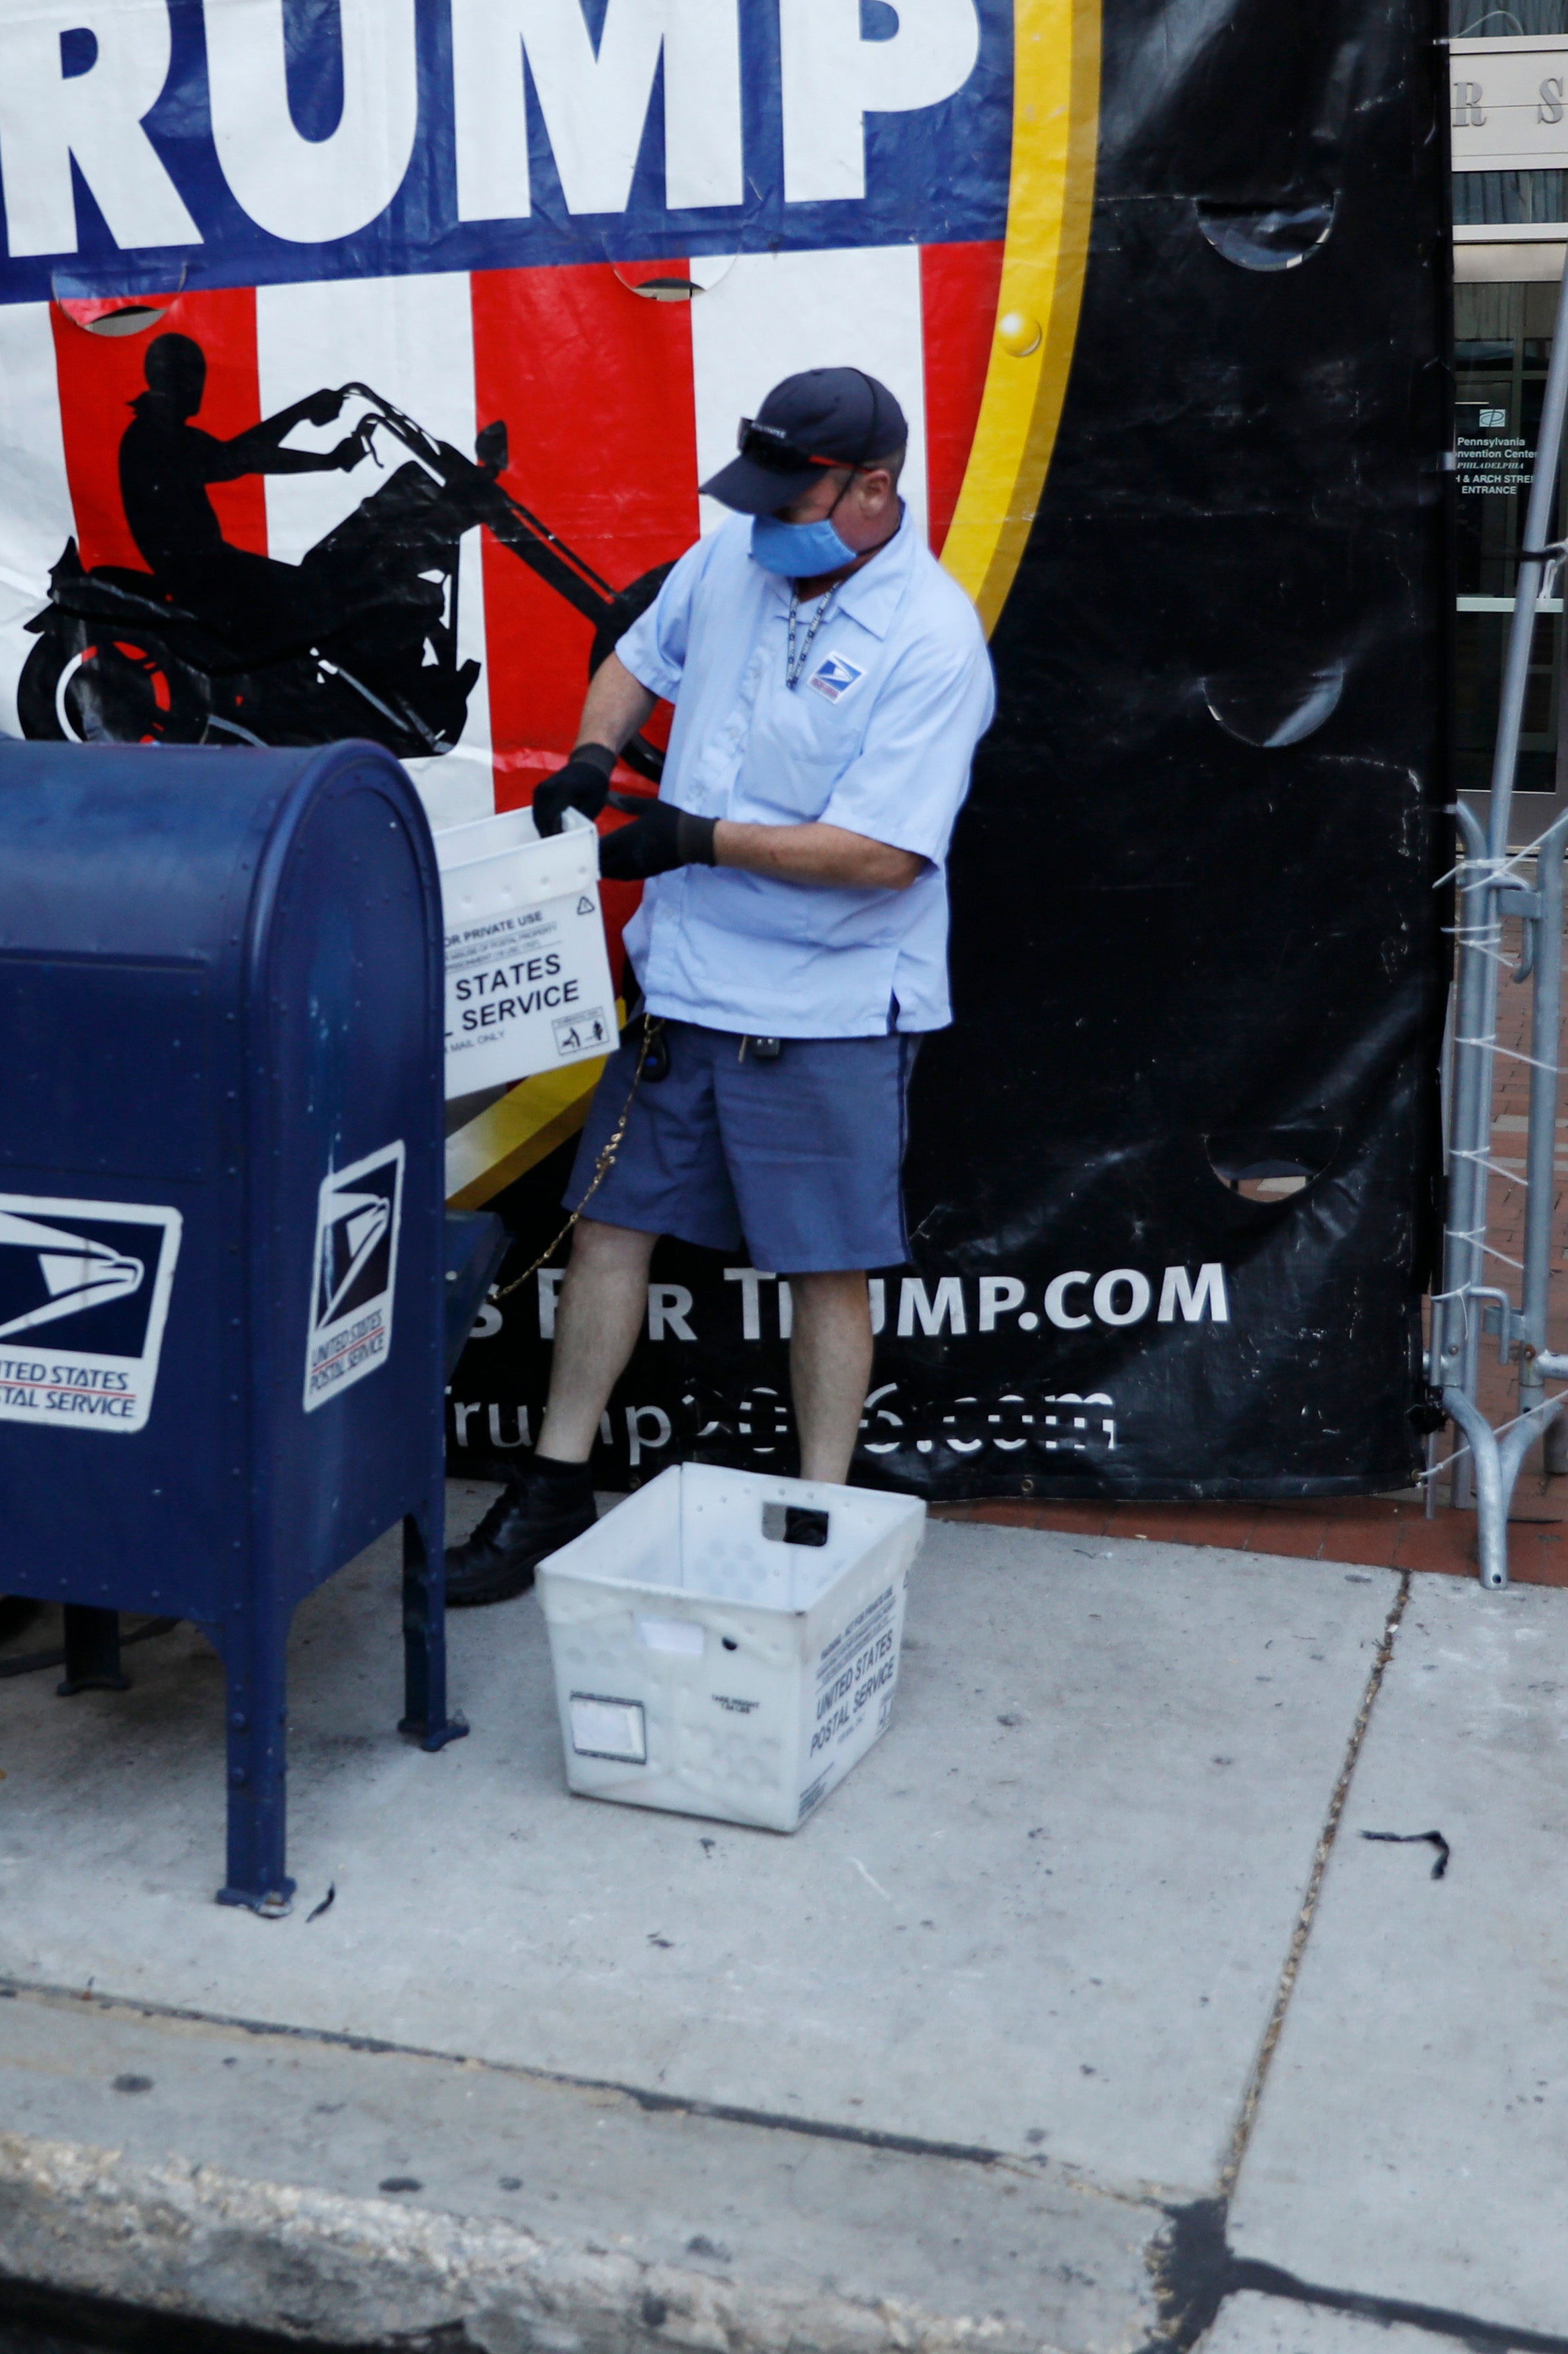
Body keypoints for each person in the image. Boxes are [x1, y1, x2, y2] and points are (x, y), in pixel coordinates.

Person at [446, 364, 997, 1606]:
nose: (763, 527)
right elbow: (640, 654)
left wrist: (690, 840)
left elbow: (884, 854)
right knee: (606, 1230)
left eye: (788, 500)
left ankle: (817, 1526)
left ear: (874, 490)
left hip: (827, 1004)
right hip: (685, 987)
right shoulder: (735, 558)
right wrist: (594, 754)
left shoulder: (931, 639)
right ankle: (548, 1490)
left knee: (827, 1267)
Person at [111, 332, 370, 656]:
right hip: (202, 574)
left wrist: (304, 413)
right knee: (315, 594)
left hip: (209, 567)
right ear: (166, 379)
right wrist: (329, 458)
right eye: (189, 374)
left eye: (199, 374)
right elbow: (239, 459)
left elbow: (236, 455)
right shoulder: (153, 439)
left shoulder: (161, 433)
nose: (199, 385)